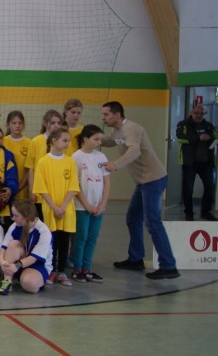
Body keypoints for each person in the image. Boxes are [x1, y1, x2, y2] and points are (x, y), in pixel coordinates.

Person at [101, 101, 180, 279]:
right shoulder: (117, 131)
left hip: (153, 180)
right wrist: (85, 135)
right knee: (133, 218)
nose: (103, 118)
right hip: (143, 182)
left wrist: (116, 164)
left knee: (152, 222)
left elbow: (134, 151)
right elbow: (108, 141)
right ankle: (136, 259)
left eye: (106, 114)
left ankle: (169, 266)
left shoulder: (132, 129)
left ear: (117, 114)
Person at [33, 128, 79, 286]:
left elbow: (73, 186)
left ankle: (62, 272)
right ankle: (50, 270)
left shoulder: (70, 162)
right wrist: (54, 207)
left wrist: (63, 206)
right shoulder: (43, 161)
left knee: (65, 240)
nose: (67, 144)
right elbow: (41, 187)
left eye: (69, 141)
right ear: (54, 141)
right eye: (64, 140)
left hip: (66, 208)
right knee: (52, 240)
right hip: (50, 208)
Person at [71, 124, 110, 283]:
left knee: (92, 237)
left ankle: (87, 269)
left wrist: (102, 204)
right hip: (82, 206)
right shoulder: (76, 157)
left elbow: (107, 182)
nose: (99, 142)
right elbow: (75, 185)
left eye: (100, 139)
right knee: (81, 237)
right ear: (85, 139)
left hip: (98, 206)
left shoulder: (101, 157)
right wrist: (86, 205)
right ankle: (77, 269)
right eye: (96, 139)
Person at [0, 199, 53, 295]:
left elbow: (34, 258)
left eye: (16, 216)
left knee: (29, 285)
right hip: (20, 262)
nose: (13, 218)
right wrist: (1, 261)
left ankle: (32, 278)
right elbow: (4, 247)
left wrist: (16, 266)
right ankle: (7, 281)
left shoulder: (43, 231)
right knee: (13, 244)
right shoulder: (15, 226)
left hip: (38, 265)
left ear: (26, 218)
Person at [175, 104, 216, 221]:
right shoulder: (183, 124)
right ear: (191, 113)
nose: (198, 116)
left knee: (210, 186)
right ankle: (189, 213)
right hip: (189, 163)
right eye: (196, 113)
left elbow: (215, 136)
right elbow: (180, 138)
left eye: (201, 114)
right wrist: (199, 137)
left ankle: (205, 212)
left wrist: (210, 138)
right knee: (188, 190)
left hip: (206, 163)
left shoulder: (208, 126)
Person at [2, 111, 31, 201]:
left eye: (20, 123)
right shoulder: (3, 141)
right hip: (5, 188)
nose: (17, 126)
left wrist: (20, 186)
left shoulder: (29, 143)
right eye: (14, 123)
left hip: (23, 188)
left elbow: (29, 169)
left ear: (23, 125)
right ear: (8, 124)